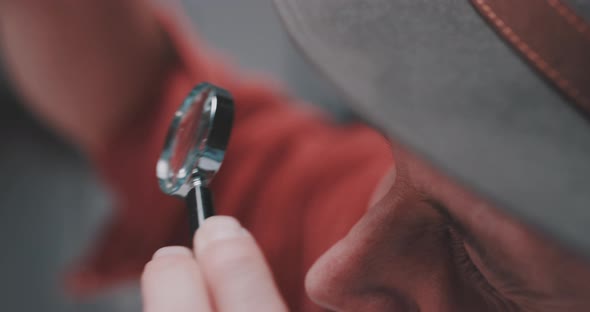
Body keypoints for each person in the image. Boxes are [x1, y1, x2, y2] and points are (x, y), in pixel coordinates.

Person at [2, 0, 590, 311]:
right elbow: (150, 110)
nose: (326, 277)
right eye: (395, 154)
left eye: (480, 267)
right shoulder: (412, 208)